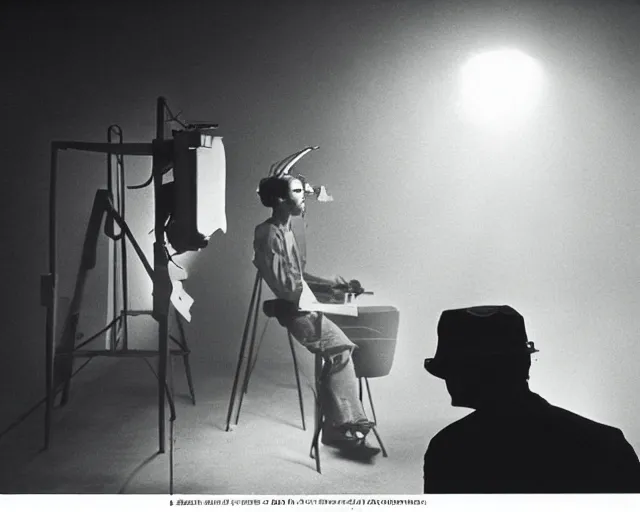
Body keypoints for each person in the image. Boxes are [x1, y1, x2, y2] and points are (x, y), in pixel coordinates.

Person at [423, 305, 640, 493]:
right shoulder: (607, 443)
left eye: (449, 370)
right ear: (524, 365)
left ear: (465, 374)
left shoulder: (450, 450)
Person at [253, 173, 380, 460]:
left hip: (303, 304)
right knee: (340, 350)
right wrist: (324, 298)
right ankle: (342, 424)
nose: (303, 197)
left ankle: (338, 424)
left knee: (343, 349)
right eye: (296, 191)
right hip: (293, 309)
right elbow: (285, 285)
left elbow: (298, 276)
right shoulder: (268, 232)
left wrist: (333, 287)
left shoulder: (288, 230)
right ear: (280, 200)